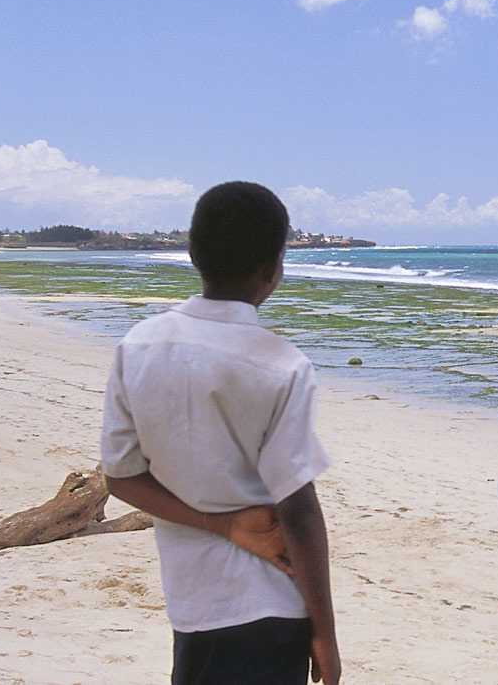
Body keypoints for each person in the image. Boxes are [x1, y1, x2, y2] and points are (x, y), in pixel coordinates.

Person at [99, 181, 341, 685]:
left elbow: (121, 479)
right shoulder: (282, 364)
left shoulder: (138, 346)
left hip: (193, 607)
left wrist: (221, 525)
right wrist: (325, 631)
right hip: (273, 605)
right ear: (273, 270)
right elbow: (297, 509)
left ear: (193, 253)